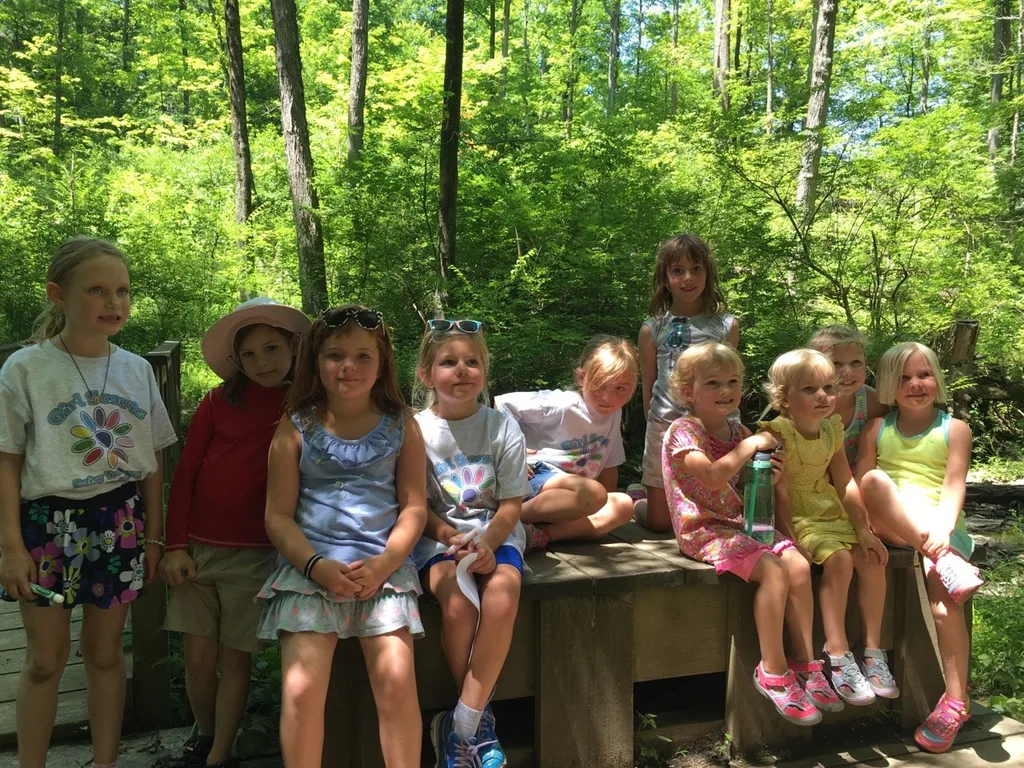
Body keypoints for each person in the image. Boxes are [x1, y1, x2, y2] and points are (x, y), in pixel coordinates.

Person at [0, 236, 177, 768]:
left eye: (122, 291)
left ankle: (105, 762)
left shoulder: (136, 369)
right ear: (59, 294)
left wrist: (154, 537)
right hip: (45, 525)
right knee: (45, 661)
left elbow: (152, 462)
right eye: (97, 290)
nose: (114, 303)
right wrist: (11, 545)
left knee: (104, 656)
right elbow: (6, 459)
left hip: (119, 521)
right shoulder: (25, 370)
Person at [257, 306, 427, 768]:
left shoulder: (401, 425)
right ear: (315, 361)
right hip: (309, 571)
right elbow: (277, 516)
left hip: (383, 572)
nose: (348, 366)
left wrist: (387, 562)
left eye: (362, 356)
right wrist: (316, 566)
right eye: (335, 355)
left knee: (395, 682)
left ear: (382, 363)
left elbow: (414, 505)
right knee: (301, 688)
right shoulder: (295, 428)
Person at [157, 298, 310, 768]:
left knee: (235, 657)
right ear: (236, 361)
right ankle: (204, 736)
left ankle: (219, 753)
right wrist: (175, 544)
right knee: (199, 659)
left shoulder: (304, 406)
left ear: (292, 347)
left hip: (258, 553)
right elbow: (186, 474)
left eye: (271, 348)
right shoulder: (218, 402)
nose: (262, 362)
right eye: (249, 355)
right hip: (199, 550)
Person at [662, 342, 822, 724]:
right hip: (702, 528)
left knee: (797, 562)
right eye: (713, 383)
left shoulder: (738, 429)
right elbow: (714, 477)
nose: (725, 390)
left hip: (739, 523)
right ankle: (773, 670)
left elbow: (746, 486)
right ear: (688, 392)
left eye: (732, 381)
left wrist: (767, 475)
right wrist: (750, 446)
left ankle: (805, 662)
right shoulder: (682, 431)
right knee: (773, 569)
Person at [413, 318, 530, 768]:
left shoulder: (502, 427)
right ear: (426, 374)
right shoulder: (415, 431)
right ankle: (478, 723)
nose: (462, 370)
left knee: (502, 593)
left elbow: (511, 503)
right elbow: (416, 508)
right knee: (459, 606)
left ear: (484, 370)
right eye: (448, 362)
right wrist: (451, 539)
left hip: (495, 535)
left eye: (472, 361)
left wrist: (487, 545)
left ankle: (462, 725)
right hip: (437, 541)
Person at [857, 341, 981, 753]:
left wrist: (943, 532)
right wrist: (860, 529)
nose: (915, 384)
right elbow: (860, 487)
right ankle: (944, 561)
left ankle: (956, 701)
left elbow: (953, 486)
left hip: (941, 529)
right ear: (890, 385)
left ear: (938, 380)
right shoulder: (877, 429)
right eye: (905, 377)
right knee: (875, 481)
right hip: (890, 524)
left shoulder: (955, 429)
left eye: (924, 374)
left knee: (945, 604)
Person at [760, 349, 896, 709]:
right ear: (784, 397)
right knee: (838, 560)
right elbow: (780, 492)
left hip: (827, 506)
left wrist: (863, 529)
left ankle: (872, 651)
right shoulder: (778, 432)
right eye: (810, 389)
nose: (823, 396)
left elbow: (845, 481)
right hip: (798, 515)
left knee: (871, 558)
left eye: (828, 388)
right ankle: (837, 654)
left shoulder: (831, 428)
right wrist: (790, 538)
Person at [494, 334, 637, 548]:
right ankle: (505, 518)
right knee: (594, 493)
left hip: (569, 499)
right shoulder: (563, 403)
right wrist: (514, 454)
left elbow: (609, 468)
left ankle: (540, 535)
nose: (608, 397)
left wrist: (597, 509)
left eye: (620, 389)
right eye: (600, 385)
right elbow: (503, 404)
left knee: (624, 505)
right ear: (581, 378)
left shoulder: (614, 414)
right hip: (536, 478)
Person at [638, 234, 738, 532]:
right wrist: (651, 422)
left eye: (696, 269)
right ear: (665, 277)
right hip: (665, 426)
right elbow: (649, 383)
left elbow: (730, 380)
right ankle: (637, 500)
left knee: (716, 513)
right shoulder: (652, 328)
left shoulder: (725, 326)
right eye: (677, 270)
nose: (688, 278)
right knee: (658, 523)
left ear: (708, 273)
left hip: (715, 427)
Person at [808, 325, 887, 465]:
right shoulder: (806, 404)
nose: (848, 372)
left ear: (865, 364)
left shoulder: (873, 402)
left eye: (856, 362)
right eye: (835, 363)